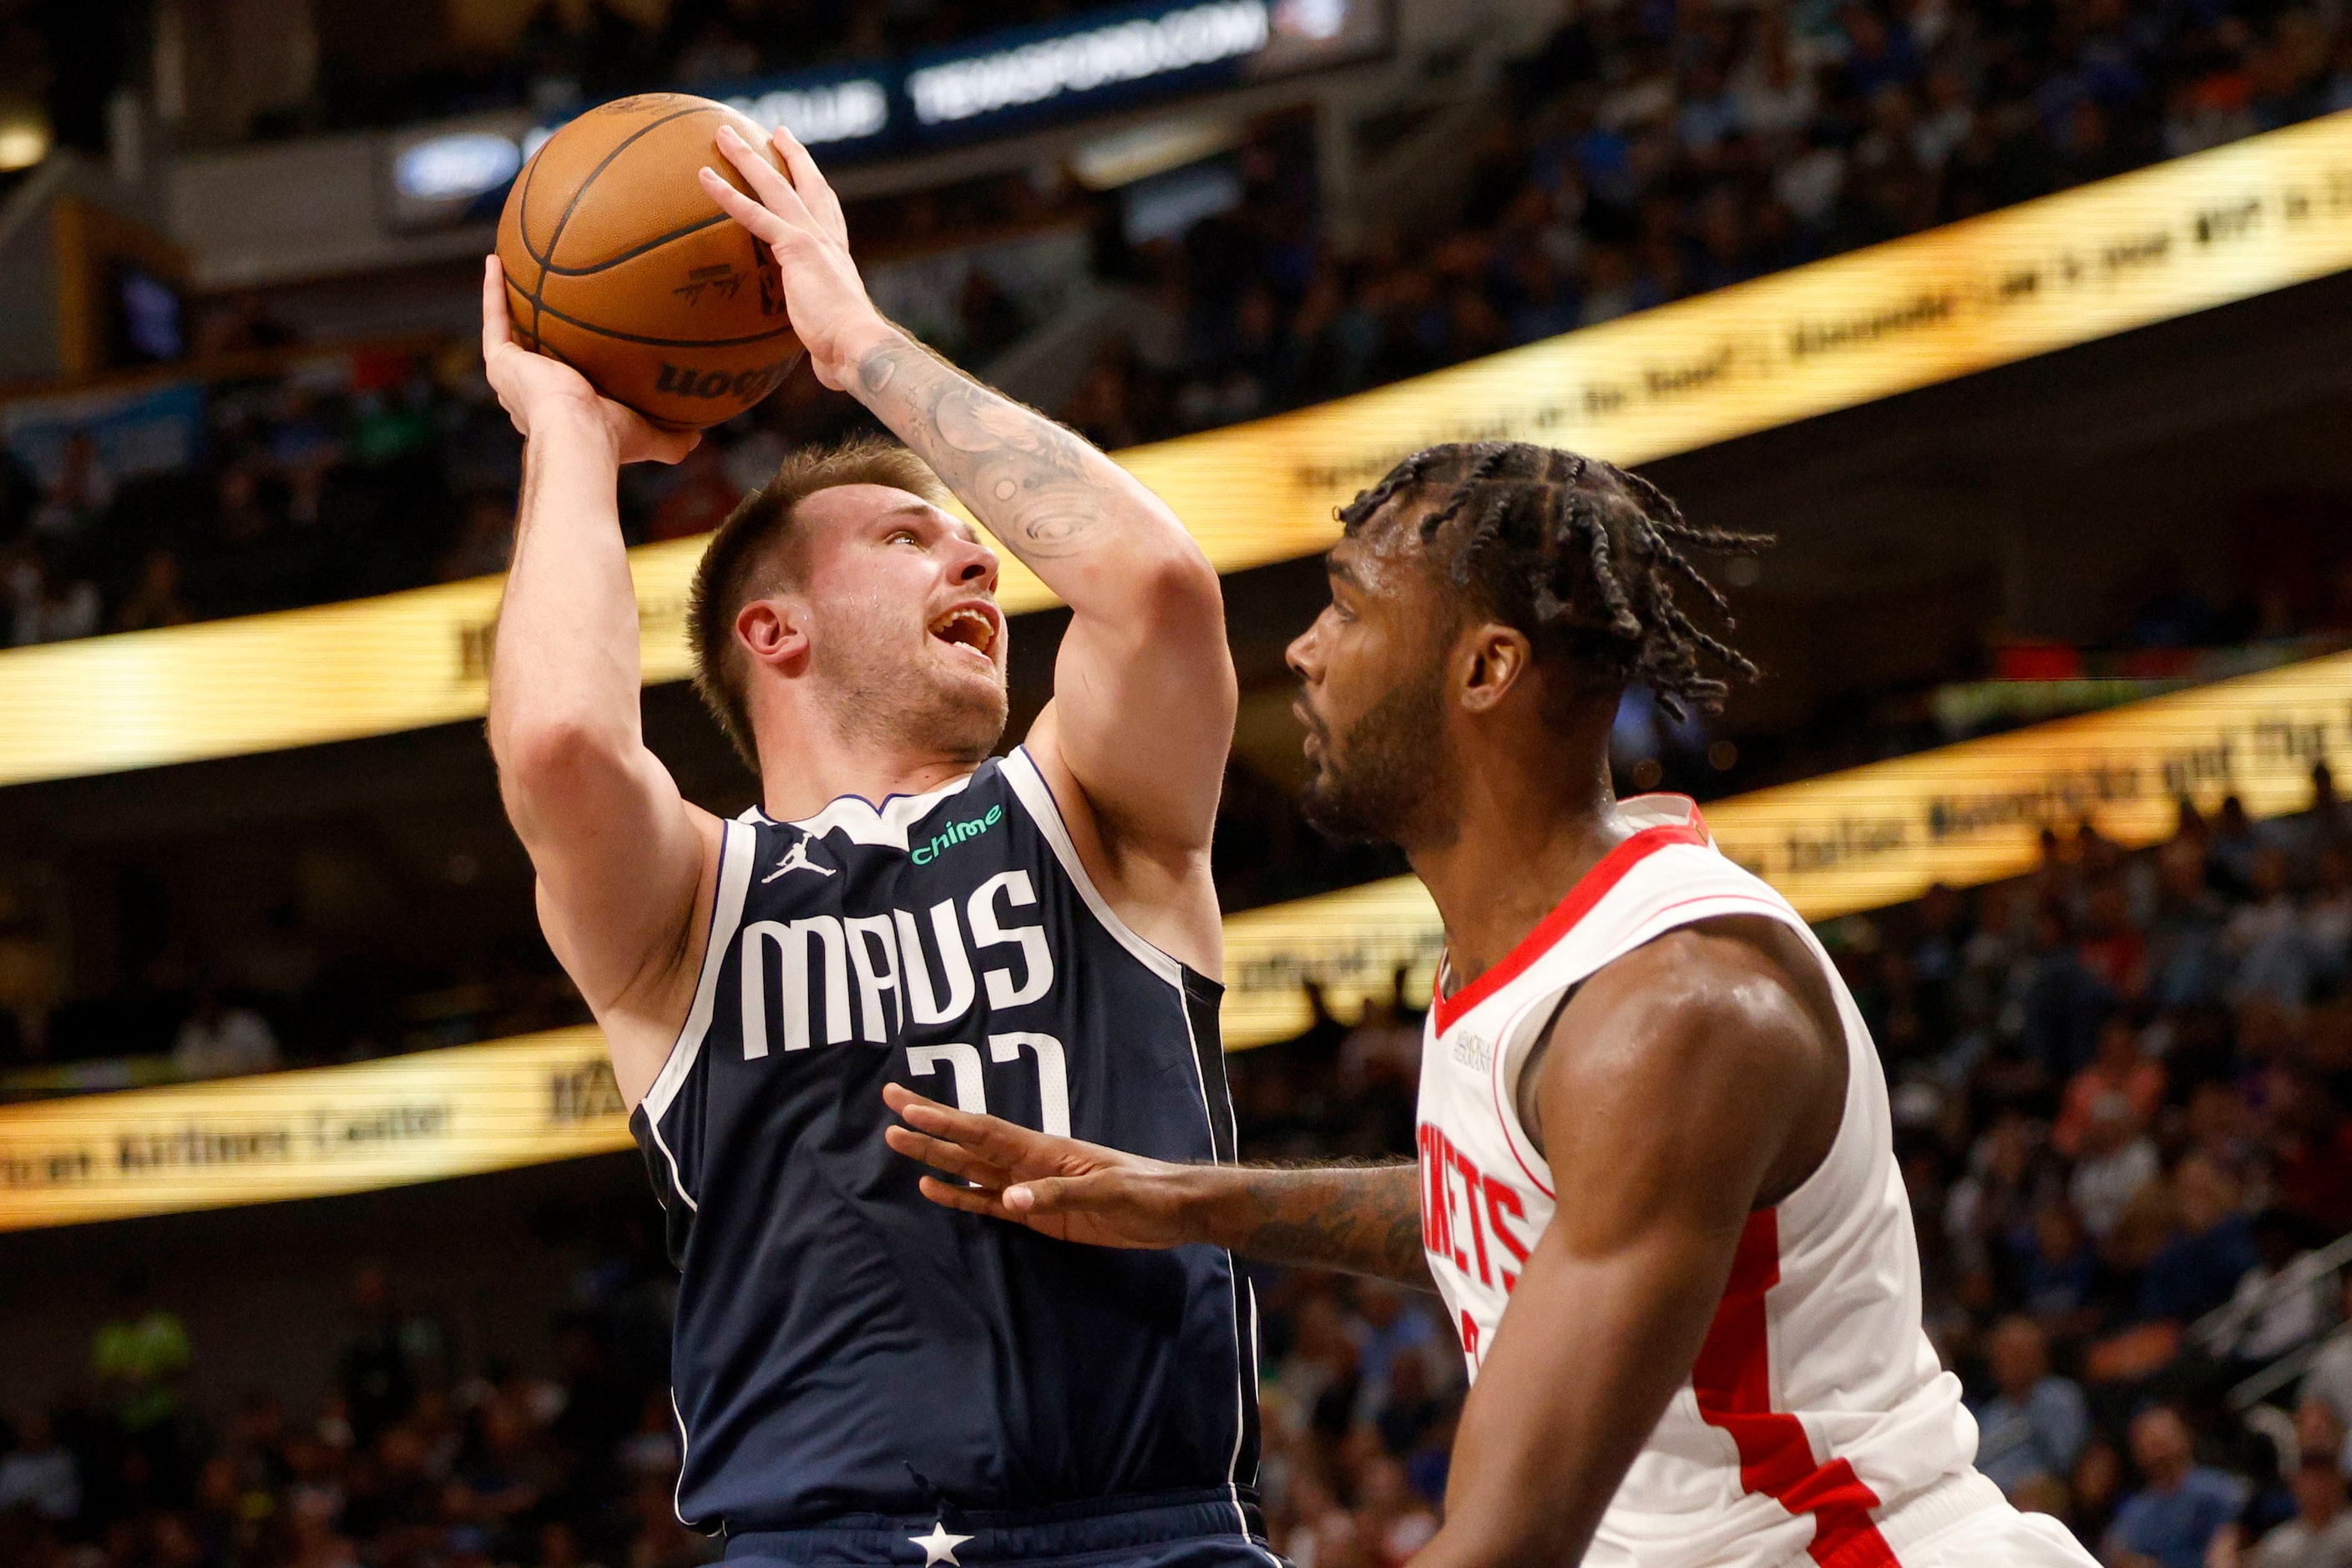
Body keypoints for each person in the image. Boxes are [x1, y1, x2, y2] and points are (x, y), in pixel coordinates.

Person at [887, 442, 2096, 1565]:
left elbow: (1501, 1548)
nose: (1302, 651)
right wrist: (1188, 1197)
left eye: (1348, 606)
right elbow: (1516, 1198)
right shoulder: (1544, 940)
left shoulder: (1669, 1009)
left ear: (1484, 667)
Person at [478, 116, 1264, 1563]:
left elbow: (1152, 583)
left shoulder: (1089, 814)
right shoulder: (691, 903)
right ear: (769, 630)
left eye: (967, 539)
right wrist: (572, 435)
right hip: (817, 1542)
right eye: (907, 539)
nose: (975, 554)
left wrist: (853, 344)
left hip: (1149, 1532)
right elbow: (560, 745)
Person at [2102, 1405, 2245, 1568]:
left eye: (2163, 1440)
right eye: (2150, 1443)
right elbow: (2117, 1554)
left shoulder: (2219, 1491)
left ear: (2184, 1436)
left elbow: (2235, 1538)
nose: (2160, 1452)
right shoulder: (2134, 1515)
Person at [1972, 1317, 2089, 1499]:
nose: (2010, 1363)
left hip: (2046, 1498)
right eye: (2003, 1355)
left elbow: (2067, 1463)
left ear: (2040, 1356)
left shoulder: (2061, 1398)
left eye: (2018, 1354)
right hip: (1991, 1501)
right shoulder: (1990, 1415)